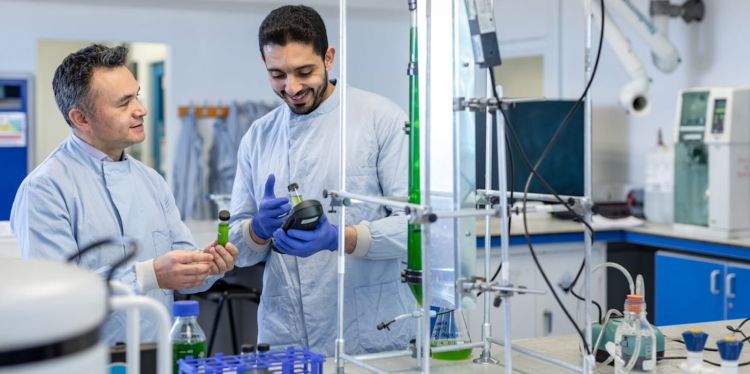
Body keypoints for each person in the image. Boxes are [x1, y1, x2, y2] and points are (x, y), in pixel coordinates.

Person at [10, 44, 239, 345]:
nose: (141, 109)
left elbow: (184, 270)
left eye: (137, 95)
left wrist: (209, 265)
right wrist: (148, 275)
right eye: (124, 103)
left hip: (155, 352)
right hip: (88, 360)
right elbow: (56, 297)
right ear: (81, 119)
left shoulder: (152, 181)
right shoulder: (45, 189)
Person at [229, 5, 415, 356]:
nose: (292, 87)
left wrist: (341, 238)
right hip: (286, 332)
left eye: (304, 71)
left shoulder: (381, 119)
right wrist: (255, 230)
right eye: (278, 75)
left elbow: (417, 228)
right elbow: (236, 251)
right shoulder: (258, 136)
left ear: (328, 57)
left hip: (368, 332)